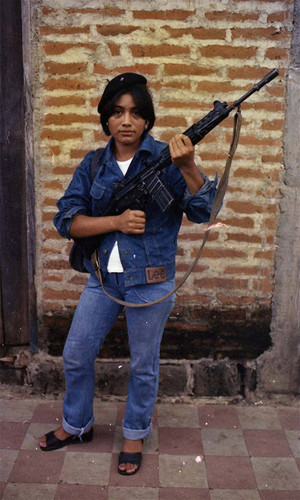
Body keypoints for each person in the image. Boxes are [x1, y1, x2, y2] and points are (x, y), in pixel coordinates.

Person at [39, 73, 217, 475]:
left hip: (152, 281)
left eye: (136, 113)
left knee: (143, 364)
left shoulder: (166, 160)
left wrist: (188, 166)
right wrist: (115, 221)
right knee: (76, 354)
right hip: (103, 280)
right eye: (117, 112)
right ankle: (77, 425)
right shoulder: (95, 163)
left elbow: (203, 213)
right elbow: (66, 220)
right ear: (106, 119)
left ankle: (134, 432)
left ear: (147, 120)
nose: (126, 121)